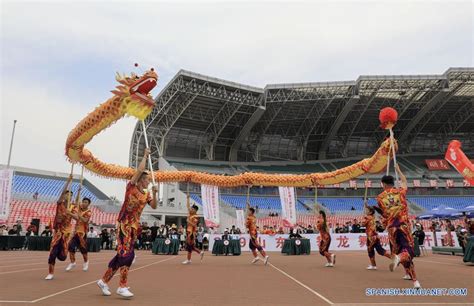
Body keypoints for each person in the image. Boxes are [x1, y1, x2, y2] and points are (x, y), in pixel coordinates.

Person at [97, 148, 158, 298]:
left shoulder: (147, 195)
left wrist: (155, 193)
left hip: (134, 228)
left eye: (149, 181)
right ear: (140, 180)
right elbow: (140, 169)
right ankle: (122, 286)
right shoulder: (130, 187)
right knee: (127, 255)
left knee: (122, 256)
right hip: (124, 225)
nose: (148, 182)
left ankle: (103, 281)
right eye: (147, 180)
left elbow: (155, 206)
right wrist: (144, 155)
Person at [377, 164, 420, 288]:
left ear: (384, 184)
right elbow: (405, 181)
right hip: (403, 225)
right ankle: (401, 261)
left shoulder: (379, 198)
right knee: (409, 252)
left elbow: (384, 214)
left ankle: (415, 280)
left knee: (401, 251)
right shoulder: (400, 192)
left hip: (392, 228)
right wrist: (399, 170)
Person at [45, 173, 74, 280]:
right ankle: (50, 273)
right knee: (52, 253)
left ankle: (61, 253)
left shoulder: (73, 207)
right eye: (66, 194)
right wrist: (68, 181)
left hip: (66, 234)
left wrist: (70, 213)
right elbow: (62, 193)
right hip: (57, 232)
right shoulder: (60, 204)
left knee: (62, 257)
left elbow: (76, 217)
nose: (67, 196)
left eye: (69, 195)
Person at [65, 196, 92, 272]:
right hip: (76, 232)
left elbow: (84, 220)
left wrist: (76, 214)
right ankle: (72, 262)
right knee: (70, 246)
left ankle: (86, 262)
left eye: (86, 202)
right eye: (83, 202)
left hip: (83, 233)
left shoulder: (88, 212)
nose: (84, 203)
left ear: (89, 204)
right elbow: (76, 204)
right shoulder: (79, 208)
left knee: (83, 249)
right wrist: (70, 213)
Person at [363, 204, 391, 270]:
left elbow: (363, 224)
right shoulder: (372, 217)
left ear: (370, 212)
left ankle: (374, 265)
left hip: (371, 237)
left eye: (367, 210)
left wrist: (364, 218)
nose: (366, 211)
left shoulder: (368, 217)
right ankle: (394, 258)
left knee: (371, 251)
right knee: (379, 250)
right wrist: (367, 206)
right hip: (375, 236)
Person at [182, 192, 204, 265]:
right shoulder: (190, 214)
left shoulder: (195, 217)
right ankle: (200, 252)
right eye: (191, 209)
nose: (190, 209)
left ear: (195, 210)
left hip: (191, 233)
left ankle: (189, 260)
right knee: (190, 246)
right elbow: (187, 206)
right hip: (188, 231)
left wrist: (188, 221)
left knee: (189, 246)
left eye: (192, 209)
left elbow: (194, 225)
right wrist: (187, 198)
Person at [246, 200, 269, 265]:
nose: (248, 212)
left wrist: (246, 223)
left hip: (252, 233)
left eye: (249, 211)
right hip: (254, 232)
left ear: (251, 212)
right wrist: (248, 206)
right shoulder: (254, 217)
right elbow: (251, 211)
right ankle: (256, 257)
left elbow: (247, 226)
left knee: (256, 245)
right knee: (251, 246)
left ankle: (265, 256)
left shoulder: (249, 218)